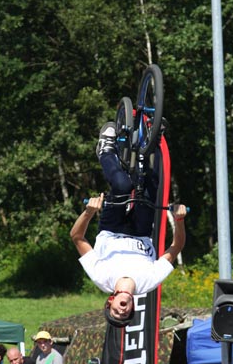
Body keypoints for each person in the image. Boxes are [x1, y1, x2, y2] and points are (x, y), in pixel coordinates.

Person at [70, 122, 187, 328]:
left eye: (117, 311)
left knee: (123, 186)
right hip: (141, 232)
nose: (122, 310)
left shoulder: (101, 277)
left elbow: (77, 237)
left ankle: (106, 150)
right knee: (152, 184)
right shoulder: (148, 283)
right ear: (132, 308)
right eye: (125, 314)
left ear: (110, 302)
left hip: (112, 230)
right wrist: (179, 221)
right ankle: (155, 139)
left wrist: (88, 213)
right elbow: (176, 247)